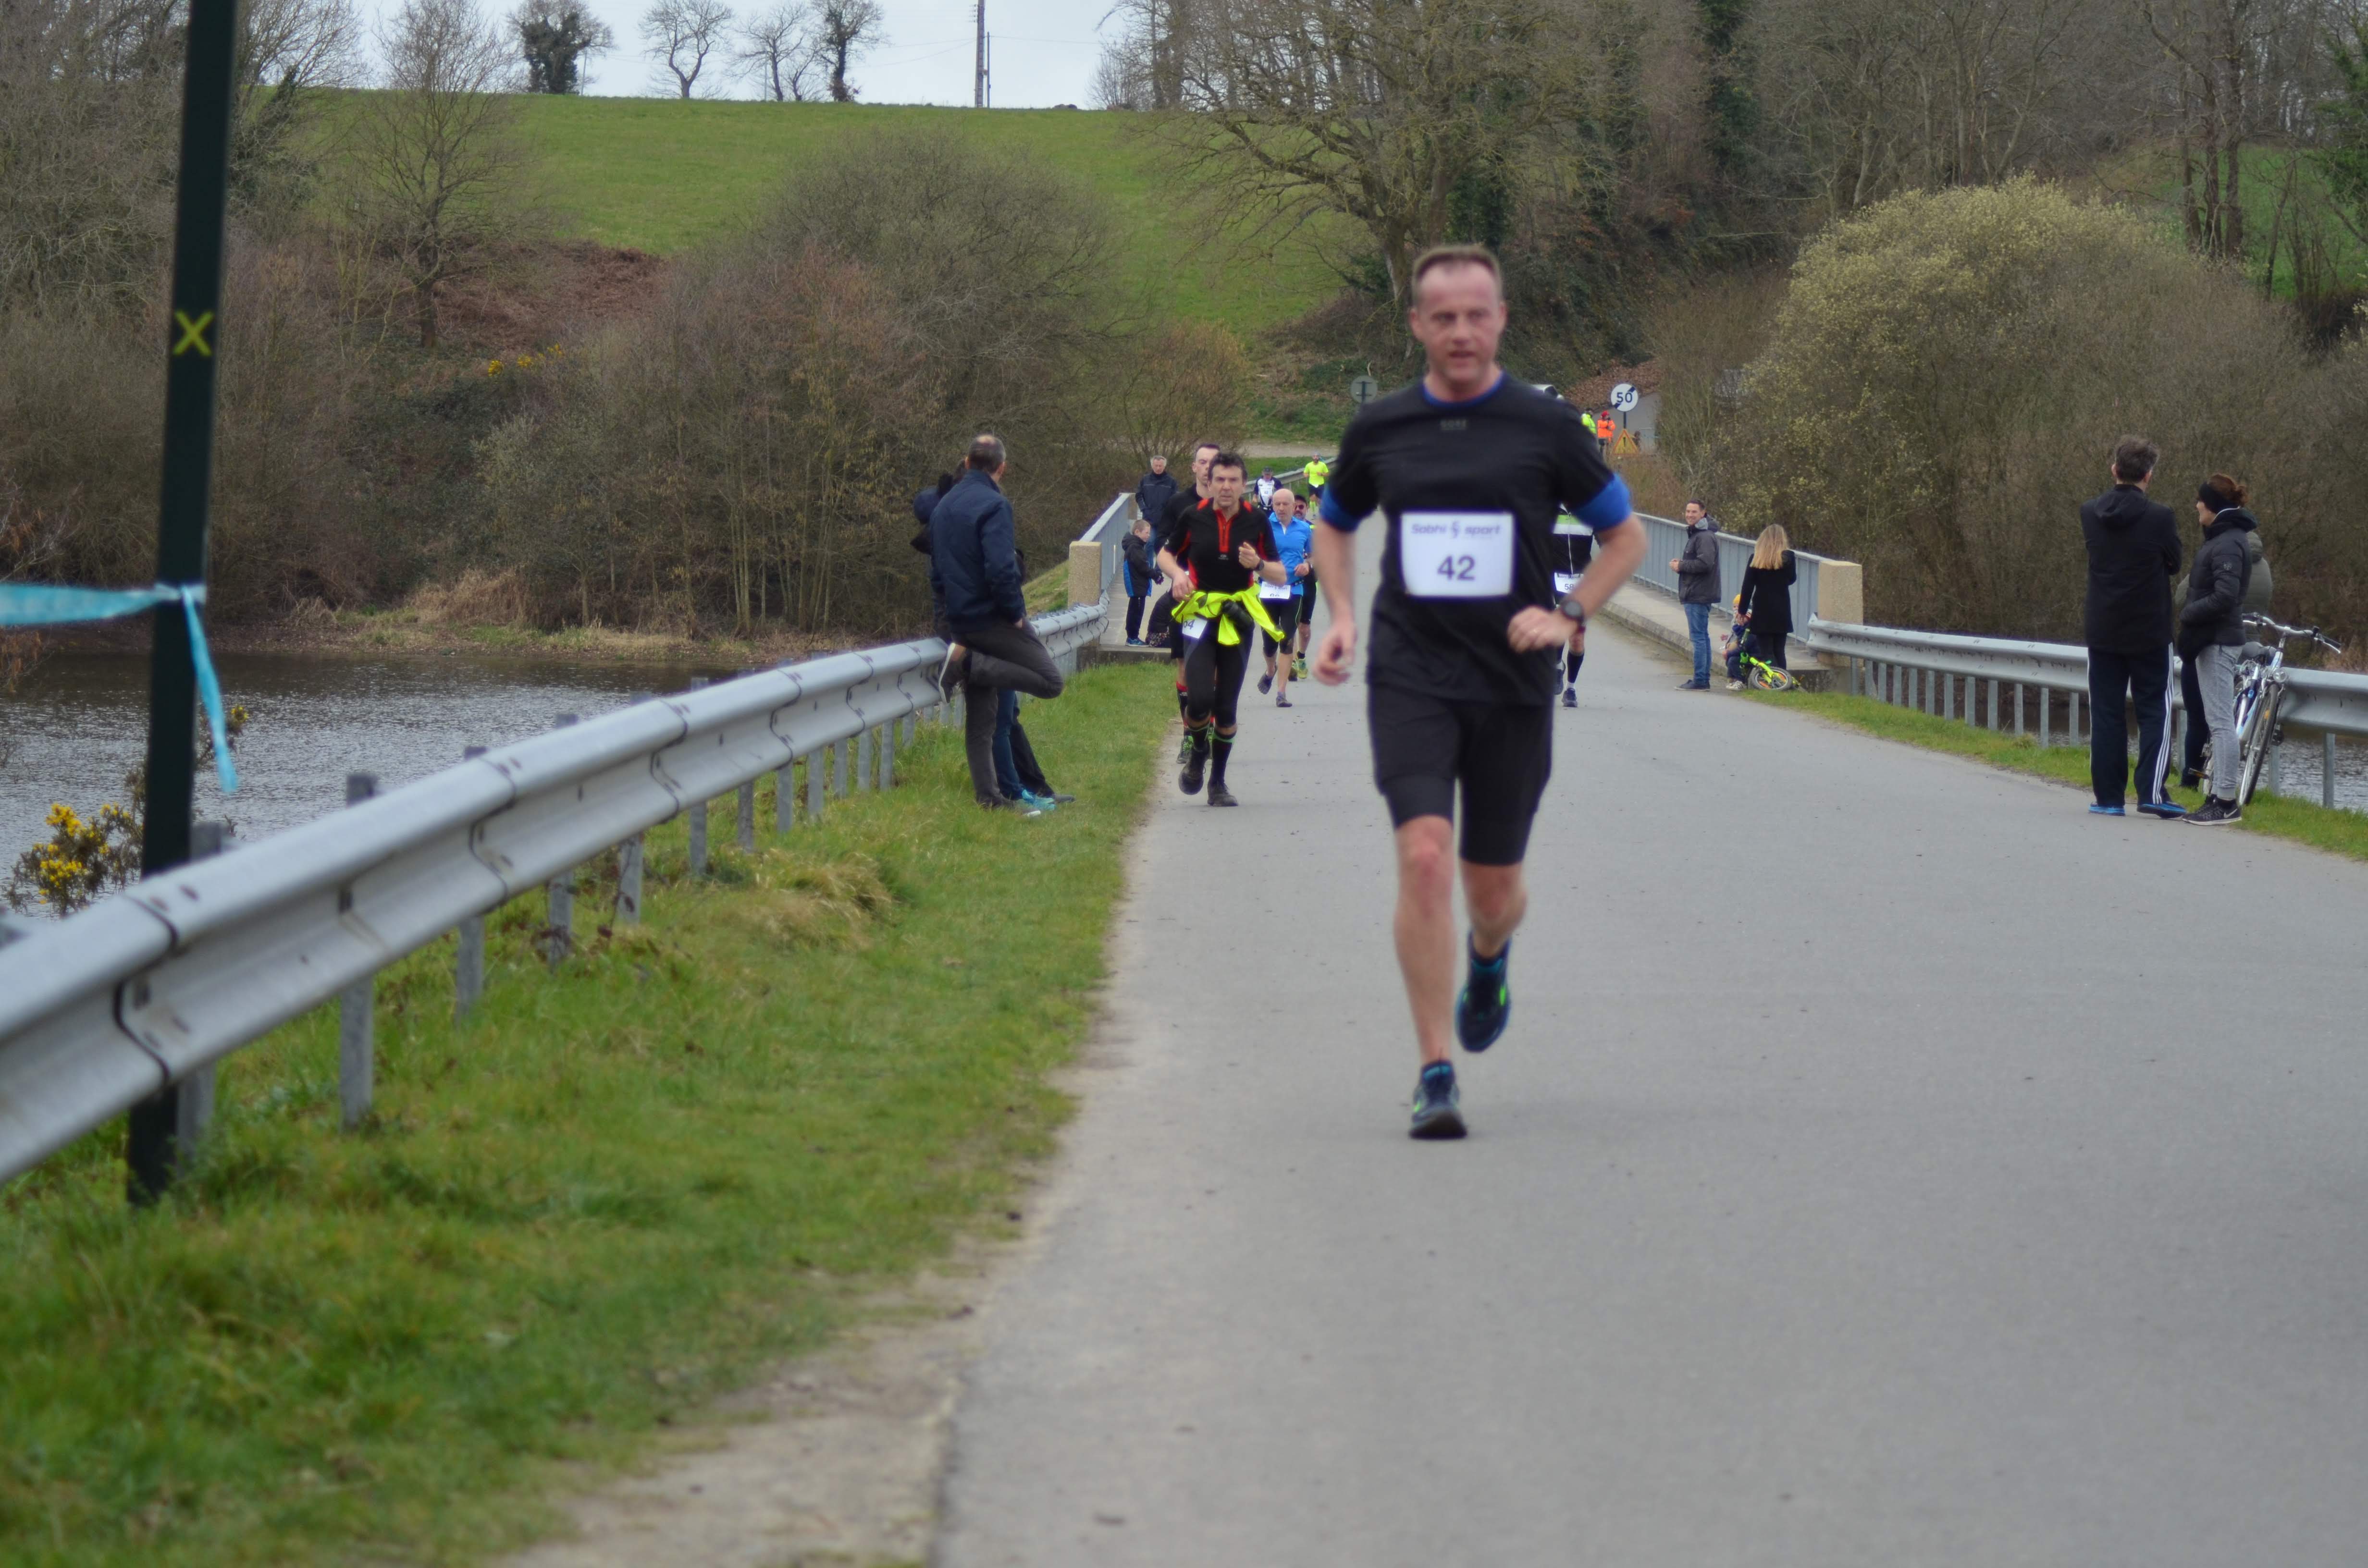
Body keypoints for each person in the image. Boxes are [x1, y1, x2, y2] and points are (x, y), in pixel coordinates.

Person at [1311, 244, 1645, 1139]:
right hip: (1410, 673)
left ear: (1500, 319)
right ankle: (1434, 1069)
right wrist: (1339, 613)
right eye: (1443, 317)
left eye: (1476, 314)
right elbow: (1334, 524)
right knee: (1424, 856)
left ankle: (1488, 956)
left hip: (1511, 680)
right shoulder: (1381, 427)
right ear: (1417, 325)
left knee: (1492, 893)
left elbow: (1624, 538)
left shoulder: (1545, 427)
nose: (1461, 331)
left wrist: (1569, 611)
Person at [929, 434, 1068, 811]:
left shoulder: (943, 507)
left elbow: (937, 573)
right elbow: (1001, 568)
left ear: (967, 462)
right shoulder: (995, 505)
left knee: (982, 718)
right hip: (992, 621)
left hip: (959, 624)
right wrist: (1015, 614)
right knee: (1051, 682)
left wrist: (948, 621)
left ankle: (989, 798)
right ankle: (968, 664)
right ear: (1002, 468)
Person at [1159, 451, 1287, 807]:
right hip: (1201, 612)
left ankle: (1218, 783)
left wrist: (1258, 564)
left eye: (1233, 480)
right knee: (1200, 700)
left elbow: (1280, 574)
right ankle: (1199, 752)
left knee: (1227, 709)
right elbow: (1165, 554)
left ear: (1244, 485)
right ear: (1210, 482)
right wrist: (1178, 574)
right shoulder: (1193, 516)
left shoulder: (1256, 521)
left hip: (1237, 615)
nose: (1226, 487)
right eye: (1220, 480)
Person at [2080, 436, 2184, 819]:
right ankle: (2151, 792)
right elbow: (2174, 563)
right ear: (2148, 476)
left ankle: (2108, 797)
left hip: (2103, 628)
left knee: (2106, 713)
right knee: (2155, 710)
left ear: (2114, 470)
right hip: (2149, 630)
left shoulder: (2089, 512)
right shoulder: (2161, 517)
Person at [2177, 474, 2258, 826]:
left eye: (2200, 500)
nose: (2196, 505)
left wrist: (2188, 613)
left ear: (2212, 505)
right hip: (2213, 638)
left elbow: (2226, 596)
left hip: (2218, 640)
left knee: (2221, 723)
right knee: (2218, 721)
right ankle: (2217, 797)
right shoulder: (2225, 538)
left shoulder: (2227, 543)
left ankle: (2225, 802)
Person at [1727, 525, 1796, 689]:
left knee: (1767, 652)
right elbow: (1792, 579)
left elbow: (1747, 587)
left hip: (1762, 610)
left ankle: (1775, 684)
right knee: (1780, 650)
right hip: (1782, 610)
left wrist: (1742, 611)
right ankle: (1784, 683)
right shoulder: (1789, 558)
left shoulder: (1756, 559)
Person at [1259, 485, 1310, 708]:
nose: (1281, 508)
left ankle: (1281, 693)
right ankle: (1271, 669)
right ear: (1272, 505)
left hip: (1294, 589)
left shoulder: (1305, 529)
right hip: (1268, 589)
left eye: (1285, 504)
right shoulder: (1263, 526)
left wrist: (1308, 565)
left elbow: (1314, 555)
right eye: (1277, 504)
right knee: (1269, 642)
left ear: (1293, 506)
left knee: (1287, 639)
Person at [1673, 500, 1720, 689]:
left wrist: (1681, 566)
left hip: (1698, 593)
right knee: (1702, 636)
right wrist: (1683, 563)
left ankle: (1701, 680)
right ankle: (1703, 678)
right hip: (1699, 591)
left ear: (1703, 514)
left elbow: (1705, 564)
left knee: (1699, 638)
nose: (1690, 515)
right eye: (1687, 511)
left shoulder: (1704, 536)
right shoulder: (1699, 534)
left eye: (1694, 512)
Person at [1553, 511, 1593, 707]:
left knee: (1577, 640)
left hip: (1582, 581)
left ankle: (1571, 689)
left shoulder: (1589, 511)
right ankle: (1556, 665)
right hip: (1553, 579)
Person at [1122, 516, 1156, 644]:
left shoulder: (1136, 546)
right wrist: (1155, 575)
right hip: (1137, 585)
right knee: (1136, 612)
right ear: (1137, 532)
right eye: (1147, 533)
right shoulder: (1135, 548)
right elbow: (1143, 566)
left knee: (1136, 611)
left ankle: (1133, 637)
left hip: (1139, 585)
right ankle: (1132, 638)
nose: (1149, 536)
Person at [1135, 453, 1179, 530]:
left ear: (1164, 466)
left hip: (1165, 521)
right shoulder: (1145, 480)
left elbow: (1175, 500)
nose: (1158, 468)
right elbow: (1139, 496)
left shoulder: (1172, 482)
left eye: (1160, 466)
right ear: (1152, 466)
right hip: (1148, 521)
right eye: (1156, 466)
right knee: (1150, 538)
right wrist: (1144, 509)